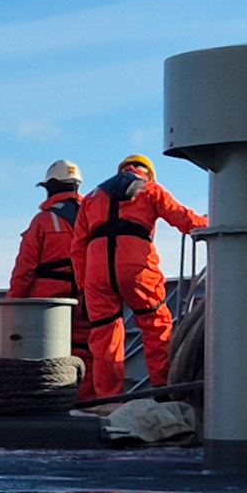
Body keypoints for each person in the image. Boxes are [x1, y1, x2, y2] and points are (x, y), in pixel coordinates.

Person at [72, 154, 205, 401]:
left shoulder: (91, 197)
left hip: (96, 271)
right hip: (137, 267)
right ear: (148, 173)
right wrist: (216, 225)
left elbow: (77, 247)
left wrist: (83, 287)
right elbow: (185, 220)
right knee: (156, 326)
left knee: (105, 336)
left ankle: (109, 401)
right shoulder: (151, 189)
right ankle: (165, 394)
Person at [9, 159, 93, 395]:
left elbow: (24, 270)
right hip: (89, 299)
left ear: (51, 186)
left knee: (48, 357)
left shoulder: (43, 221)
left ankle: (53, 402)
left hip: (49, 304)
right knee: (87, 352)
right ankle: (86, 403)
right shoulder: (95, 218)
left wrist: (13, 306)